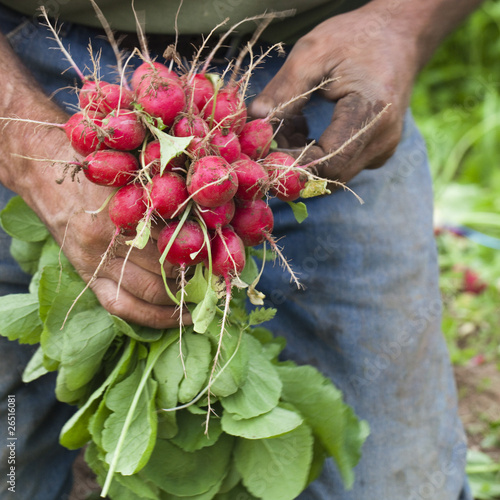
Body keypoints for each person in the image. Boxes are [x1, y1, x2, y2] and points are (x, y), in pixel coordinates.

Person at [0, 0, 484, 499]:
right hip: (22, 73)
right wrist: (30, 155)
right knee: (10, 465)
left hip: (325, 83)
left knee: (396, 478)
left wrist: (403, 24)